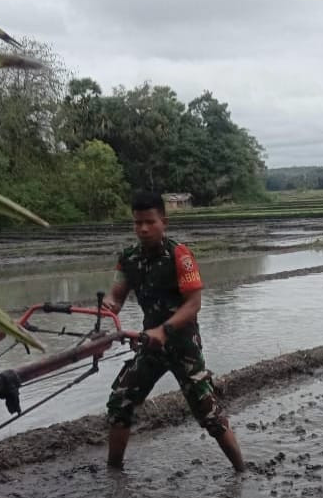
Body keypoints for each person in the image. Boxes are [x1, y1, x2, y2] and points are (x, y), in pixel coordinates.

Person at [102, 191, 245, 472]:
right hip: (150, 346)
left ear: (163, 222)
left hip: (183, 347)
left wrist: (164, 330)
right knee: (120, 402)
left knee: (210, 415)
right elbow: (116, 295)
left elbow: (194, 304)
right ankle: (113, 472)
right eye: (137, 223)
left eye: (150, 222)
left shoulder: (180, 255)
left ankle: (242, 471)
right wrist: (108, 307)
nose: (143, 228)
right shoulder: (128, 259)